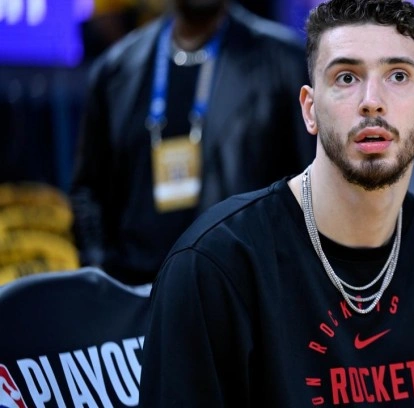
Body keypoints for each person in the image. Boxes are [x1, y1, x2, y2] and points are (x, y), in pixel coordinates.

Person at [139, 0, 414, 406]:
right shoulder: (215, 268)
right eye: (346, 77)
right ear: (310, 110)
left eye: (398, 75)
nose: (372, 101)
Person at [70, 0, 316, 285]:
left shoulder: (283, 62)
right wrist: (101, 276)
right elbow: (89, 191)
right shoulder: (117, 69)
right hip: (136, 288)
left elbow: (311, 184)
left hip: (241, 286)